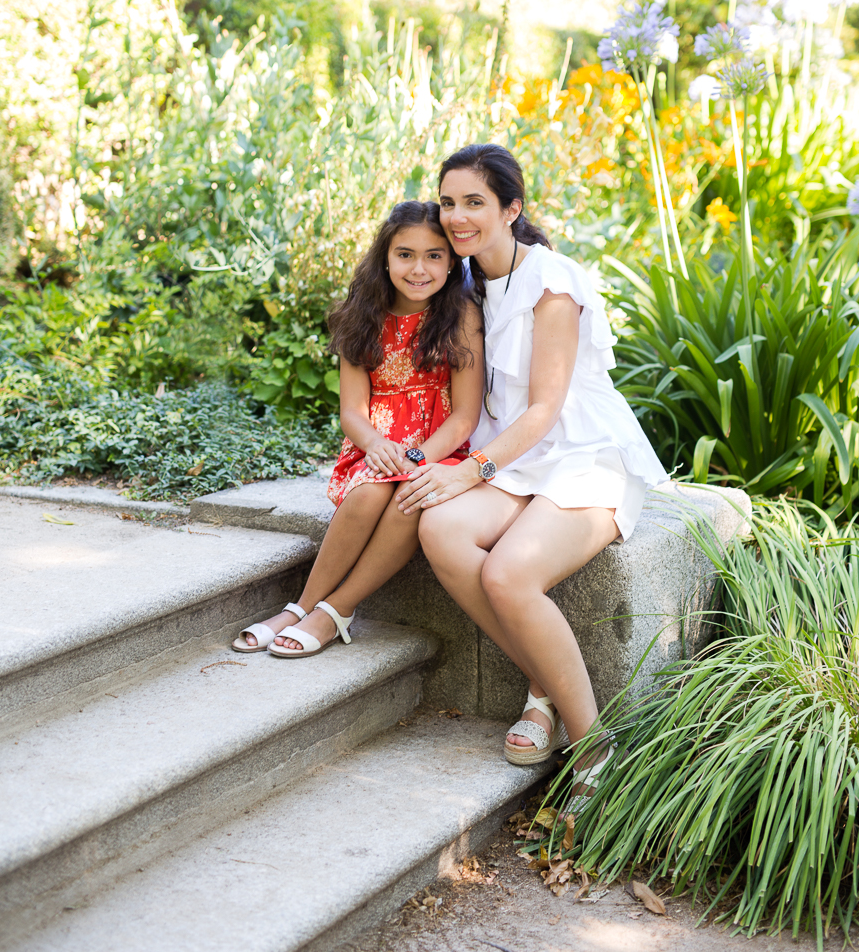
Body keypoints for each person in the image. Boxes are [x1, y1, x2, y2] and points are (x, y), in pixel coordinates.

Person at [394, 144, 666, 796]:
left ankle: (594, 747)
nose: (456, 218)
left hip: (582, 455)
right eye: (449, 202)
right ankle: (542, 686)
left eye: (475, 203)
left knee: (510, 571)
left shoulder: (554, 282)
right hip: (516, 461)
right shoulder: (462, 286)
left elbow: (545, 410)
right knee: (441, 531)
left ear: (512, 208)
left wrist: (469, 471)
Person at [232, 200, 483, 657]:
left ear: (452, 263)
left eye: (434, 255)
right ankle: (300, 606)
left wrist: (417, 456)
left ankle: (336, 611)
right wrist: (375, 443)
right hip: (376, 444)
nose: (419, 268)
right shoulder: (361, 315)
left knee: (412, 494)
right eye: (405, 254)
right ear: (385, 256)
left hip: (438, 447)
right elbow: (352, 410)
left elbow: (466, 414)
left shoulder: (460, 318)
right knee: (370, 491)